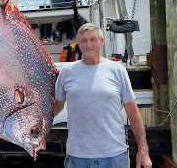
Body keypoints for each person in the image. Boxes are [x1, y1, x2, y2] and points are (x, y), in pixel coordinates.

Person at [54, 23, 152, 168]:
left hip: (114, 156)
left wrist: (143, 149)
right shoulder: (66, 72)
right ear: (78, 44)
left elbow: (132, 111)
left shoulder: (117, 70)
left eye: (93, 39)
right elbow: (56, 107)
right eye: (83, 40)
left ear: (101, 41)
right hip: (78, 156)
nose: (88, 45)